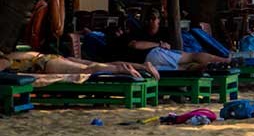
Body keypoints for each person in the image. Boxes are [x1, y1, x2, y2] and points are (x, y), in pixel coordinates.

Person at [117, 9, 230, 72]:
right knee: (190, 57)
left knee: (187, 65)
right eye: (150, 19)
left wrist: (166, 46)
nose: (152, 22)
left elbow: (169, 47)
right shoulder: (137, 32)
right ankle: (224, 61)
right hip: (152, 56)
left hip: (155, 59)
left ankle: (212, 65)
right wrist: (159, 45)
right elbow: (136, 45)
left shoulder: (163, 32)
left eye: (154, 19)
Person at [0, 51, 159, 80]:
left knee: (88, 69)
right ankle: (143, 66)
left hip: (46, 64)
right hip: (50, 58)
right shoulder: (11, 54)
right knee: (98, 64)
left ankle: (122, 70)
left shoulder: (4, 59)